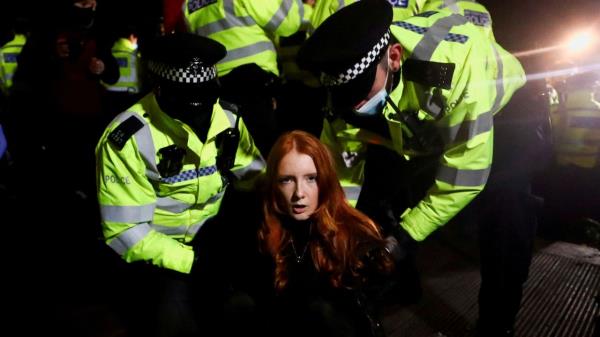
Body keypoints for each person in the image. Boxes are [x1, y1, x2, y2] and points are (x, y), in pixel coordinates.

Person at [297, 0, 526, 308]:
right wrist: (332, 229)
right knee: (396, 197)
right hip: (423, 124)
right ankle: (404, 288)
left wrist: (404, 236)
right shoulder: (346, 94)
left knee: (506, 221)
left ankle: (498, 323)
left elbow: (464, 174)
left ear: (393, 57)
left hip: (506, 111)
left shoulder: (453, 68)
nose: (354, 106)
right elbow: (343, 169)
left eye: (363, 93)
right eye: (346, 98)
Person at [95, 32, 265, 337]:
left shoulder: (227, 117)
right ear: (159, 88)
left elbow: (256, 179)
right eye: (186, 105)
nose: (199, 114)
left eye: (205, 101)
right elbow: (125, 231)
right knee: (175, 324)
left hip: (217, 241)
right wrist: (194, 262)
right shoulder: (128, 138)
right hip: (160, 255)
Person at [258, 130, 394, 337]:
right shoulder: (269, 231)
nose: (299, 193)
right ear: (274, 185)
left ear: (325, 180)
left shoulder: (355, 237)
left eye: (311, 178)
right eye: (287, 180)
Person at [182, 0, 304, 157]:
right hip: (254, 85)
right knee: (271, 153)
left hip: (218, 88)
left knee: (239, 152)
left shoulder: (189, 3)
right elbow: (288, 23)